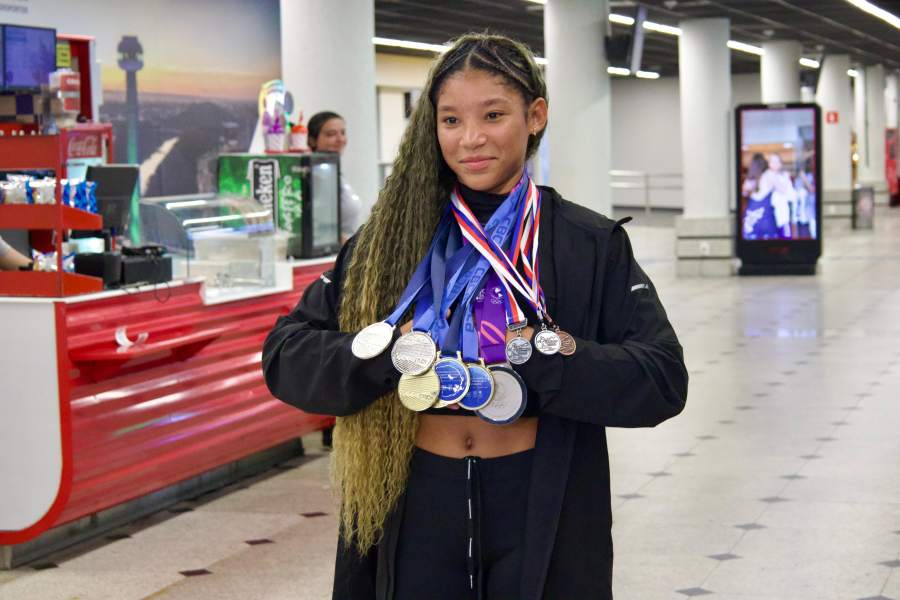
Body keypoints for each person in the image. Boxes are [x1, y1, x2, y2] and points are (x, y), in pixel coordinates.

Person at [263, 33, 687, 600]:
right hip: (414, 498)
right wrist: (388, 351)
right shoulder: (386, 244)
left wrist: (551, 357)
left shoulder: (587, 242)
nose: (471, 139)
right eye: (451, 120)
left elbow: (662, 378)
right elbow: (286, 354)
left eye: (493, 115)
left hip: (538, 499)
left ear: (535, 116)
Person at [307, 111, 363, 243]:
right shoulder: (315, 175)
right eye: (331, 134)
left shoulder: (333, 172)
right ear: (312, 140)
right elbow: (318, 226)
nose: (340, 139)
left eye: (343, 133)